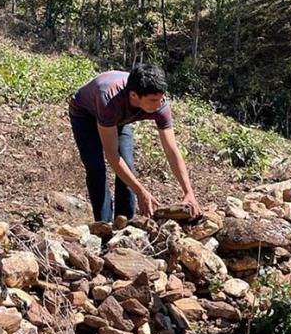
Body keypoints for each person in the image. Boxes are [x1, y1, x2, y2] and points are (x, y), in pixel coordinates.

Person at [68, 64, 200, 221]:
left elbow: (171, 150)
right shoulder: (109, 98)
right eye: (153, 100)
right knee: (96, 169)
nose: (159, 104)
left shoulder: (160, 104)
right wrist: (140, 191)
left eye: (161, 98)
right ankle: (104, 225)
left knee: (127, 165)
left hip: (119, 119)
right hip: (85, 115)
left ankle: (125, 223)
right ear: (134, 95)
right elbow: (112, 155)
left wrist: (188, 192)